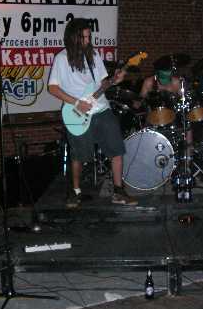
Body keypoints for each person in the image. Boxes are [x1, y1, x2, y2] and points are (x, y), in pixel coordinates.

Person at [48, 18, 137, 207]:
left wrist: (115, 80)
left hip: (101, 109)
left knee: (117, 149)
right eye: (84, 37)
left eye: (89, 36)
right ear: (73, 38)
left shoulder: (93, 55)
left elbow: (103, 83)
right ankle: (75, 191)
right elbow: (53, 88)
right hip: (76, 111)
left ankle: (118, 191)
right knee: (79, 155)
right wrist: (77, 102)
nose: (88, 40)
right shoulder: (62, 58)